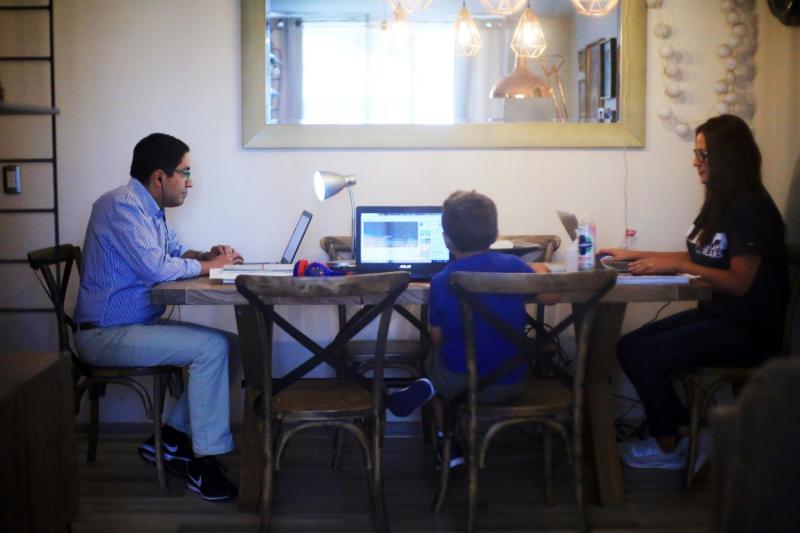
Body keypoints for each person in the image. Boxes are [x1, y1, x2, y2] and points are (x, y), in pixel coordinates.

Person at [600, 114, 789, 470]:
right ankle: (687, 434)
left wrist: (676, 268)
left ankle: (670, 445)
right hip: (719, 316)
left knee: (644, 355)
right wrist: (635, 255)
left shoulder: (752, 208)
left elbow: (738, 282)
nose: (695, 162)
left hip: (750, 330)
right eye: (696, 153)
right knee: (628, 346)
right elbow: (698, 256)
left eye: (703, 154)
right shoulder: (721, 203)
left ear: (727, 157)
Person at [74, 133, 244, 500]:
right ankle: (203, 464)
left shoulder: (150, 211)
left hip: (135, 326)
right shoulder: (120, 206)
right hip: (104, 334)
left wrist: (207, 255)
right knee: (212, 348)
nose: (190, 183)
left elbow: (176, 253)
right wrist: (211, 266)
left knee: (232, 346)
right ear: (159, 177)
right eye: (185, 173)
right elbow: (156, 268)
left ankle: (170, 439)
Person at [387, 190, 549, 467]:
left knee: (431, 358)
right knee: (457, 357)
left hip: (457, 383)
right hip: (511, 382)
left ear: (445, 239)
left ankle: (447, 443)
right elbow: (552, 296)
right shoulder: (514, 267)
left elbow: (437, 336)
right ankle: (431, 388)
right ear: (496, 234)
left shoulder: (442, 280)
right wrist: (540, 269)